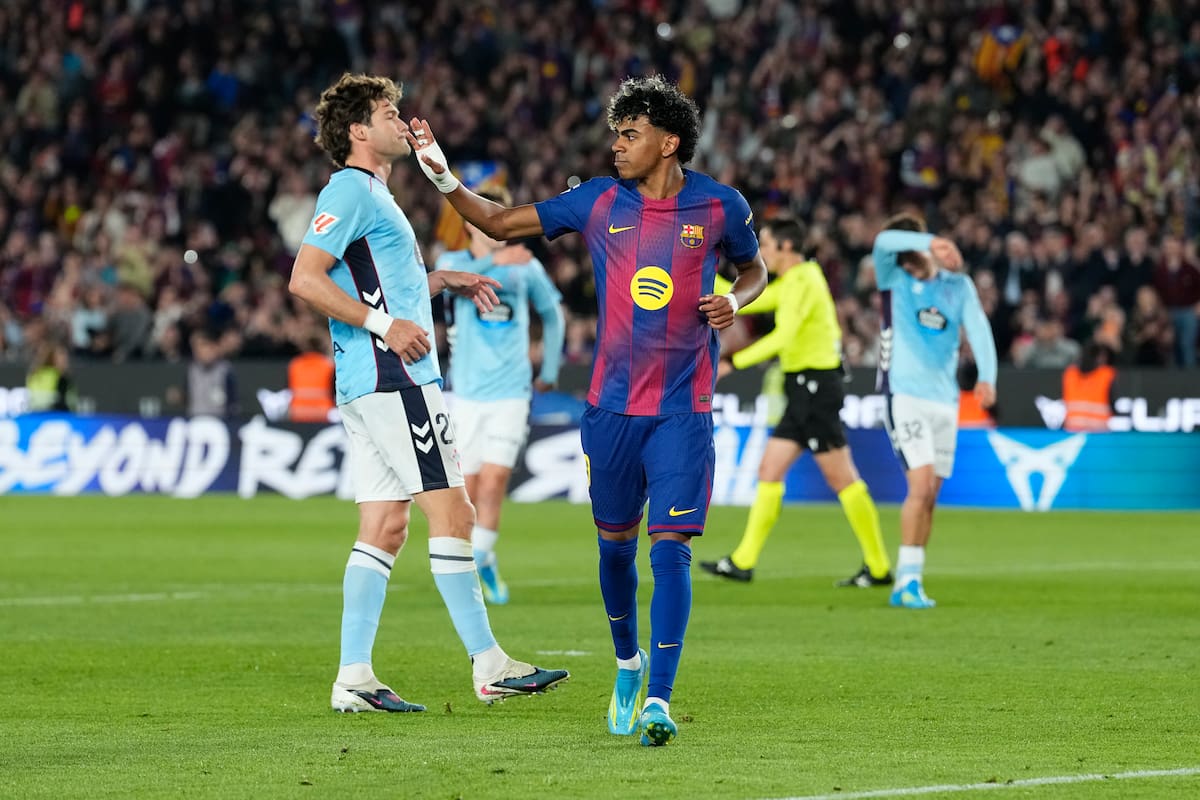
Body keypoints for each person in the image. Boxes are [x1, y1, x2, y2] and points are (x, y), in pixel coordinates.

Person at [407, 74, 768, 745]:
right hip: (610, 410)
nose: (616, 147)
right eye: (614, 134)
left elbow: (755, 269)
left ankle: (659, 699)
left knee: (672, 553)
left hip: (683, 411)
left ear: (668, 141)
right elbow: (495, 219)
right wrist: (442, 176)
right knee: (614, 551)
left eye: (629, 135)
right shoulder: (599, 201)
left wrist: (737, 301)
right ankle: (627, 665)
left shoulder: (720, 207)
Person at [287, 72, 568, 714]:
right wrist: (387, 324)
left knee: (385, 526)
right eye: (389, 112)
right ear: (359, 131)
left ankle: (353, 677)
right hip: (397, 378)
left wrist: (438, 280)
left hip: (365, 382)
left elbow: (377, 278)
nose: (401, 121)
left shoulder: (375, 196)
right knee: (456, 512)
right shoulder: (352, 190)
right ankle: (490, 664)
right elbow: (305, 278)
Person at [699, 217, 893, 589]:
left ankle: (880, 566)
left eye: (766, 245)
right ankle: (743, 561)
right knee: (769, 471)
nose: (762, 253)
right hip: (804, 387)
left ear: (786, 247)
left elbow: (784, 337)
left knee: (843, 478)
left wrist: (732, 363)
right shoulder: (793, 283)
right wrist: (702, 267)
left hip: (817, 387)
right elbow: (750, 301)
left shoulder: (804, 280)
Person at [435, 188, 566, 605]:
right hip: (467, 395)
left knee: (493, 484)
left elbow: (553, 314)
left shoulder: (525, 269)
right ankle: (483, 560)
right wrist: (494, 262)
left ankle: (480, 561)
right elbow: (447, 284)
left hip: (511, 392)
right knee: (469, 489)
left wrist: (547, 369)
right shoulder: (452, 264)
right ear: (471, 222)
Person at [871, 213, 997, 609]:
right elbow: (881, 243)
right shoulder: (893, 279)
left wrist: (988, 376)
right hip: (903, 394)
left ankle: (912, 579)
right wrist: (933, 241)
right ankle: (904, 584)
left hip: (945, 401)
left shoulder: (957, 286)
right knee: (920, 486)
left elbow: (978, 328)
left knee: (931, 497)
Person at [1061, 342, 1116, 432]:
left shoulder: (1070, 374)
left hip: (1073, 432)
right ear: (1098, 357)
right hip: (1098, 434)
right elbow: (1113, 404)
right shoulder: (1107, 375)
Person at [287, 333, 336, 423]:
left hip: (298, 413)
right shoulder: (328, 365)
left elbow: (288, 390)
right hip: (322, 414)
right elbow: (334, 391)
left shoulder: (295, 365)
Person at [187, 330, 237, 417]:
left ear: (214, 348)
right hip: (195, 419)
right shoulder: (192, 369)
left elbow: (233, 400)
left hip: (220, 420)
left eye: (207, 348)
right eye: (199, 349)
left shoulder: (225, 369)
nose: (204, 353)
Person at [25, 341, 77, 412]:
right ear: (53, 358)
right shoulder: (55, 376)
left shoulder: (65, 378)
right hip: (50, 415)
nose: (65, 359)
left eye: (66, 356)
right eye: (61, 356)